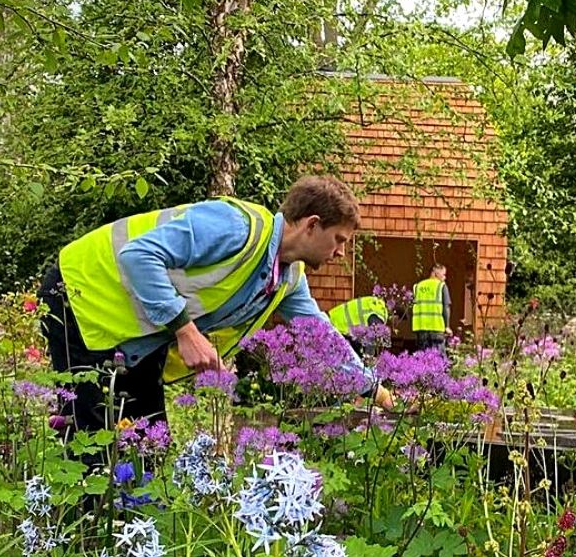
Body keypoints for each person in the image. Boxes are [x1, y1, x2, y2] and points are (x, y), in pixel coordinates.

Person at [38, 176, 392, 434]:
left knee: (145, 444)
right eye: (339, 240)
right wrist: (186, 332)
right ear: (312, 225)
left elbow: (321, 337)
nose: (341, 252)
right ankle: (78, 533)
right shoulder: (236, 227)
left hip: (137, 336)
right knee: (97, 447)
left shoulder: (286, 279)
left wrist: (375, 389)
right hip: (79, 295)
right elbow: (138, 255)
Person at [411, 263, 451, 351]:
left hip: (421, 328)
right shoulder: (441, 286)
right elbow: (446, 307)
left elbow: (412, 307)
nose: (445, 277)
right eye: (443, 274)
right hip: (436, 328)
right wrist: (447, 327)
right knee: (439, 359)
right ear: (436, 273)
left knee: (422, 359)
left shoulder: (418, 286)